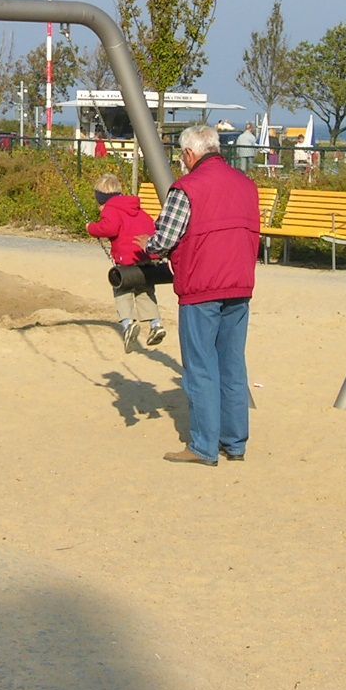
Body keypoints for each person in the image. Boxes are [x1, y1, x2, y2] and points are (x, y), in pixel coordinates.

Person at [142, 124, 260, 466]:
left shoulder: (187, 188)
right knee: (232, 365)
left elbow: (164, 239)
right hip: (239, 283)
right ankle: (235, 443)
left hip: (201, 286)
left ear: (189, 154)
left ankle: (204, 446)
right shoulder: (246, 185)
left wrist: (148, 246)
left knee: (201, 367)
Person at [86, 173, 167, 352]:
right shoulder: (136, 208)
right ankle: (156, 325)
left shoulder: (111, 209)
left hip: (126, 261)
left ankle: (128, 324)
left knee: (122, 290)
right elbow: (151, 226)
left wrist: (91, 228)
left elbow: (109, 228)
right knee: (145, 291)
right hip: (145, 259)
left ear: (101, 199)